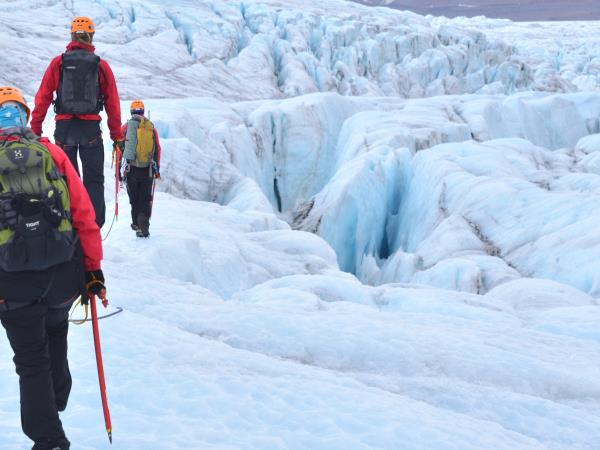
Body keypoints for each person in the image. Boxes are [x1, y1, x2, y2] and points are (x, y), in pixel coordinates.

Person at [0, 86, 106, 450]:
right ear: (25, 116)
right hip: (62, 273)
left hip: (12, 283)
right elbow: (83, 215)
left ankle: (49, 439)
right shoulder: (51, 153)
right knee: (55, 333)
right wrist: (93, 269)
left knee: (31, 362)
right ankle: (55, 399)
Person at [31, 16, 124, 228]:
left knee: (65, 180)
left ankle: (70, 223)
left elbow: (43, 97)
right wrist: (116, 136)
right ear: (91, 37)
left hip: (64, 131)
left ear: (72, 36)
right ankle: (94, 225)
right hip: (90, 129)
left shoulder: (58, 63)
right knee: (94, 180)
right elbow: (113, 104)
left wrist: (35, 130)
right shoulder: (101, 66)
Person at [121, 100, 161, 238]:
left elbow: (120, 148)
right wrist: (157, 168)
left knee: (134, 198)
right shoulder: (151, 128)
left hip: (131, 169)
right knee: (145, 197)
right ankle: (144, 224)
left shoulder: (126, 127)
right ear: (143, 112)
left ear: (131, 112)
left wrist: (119, 172)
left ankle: (136, 224)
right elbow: (157, 149)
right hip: (147, 169)